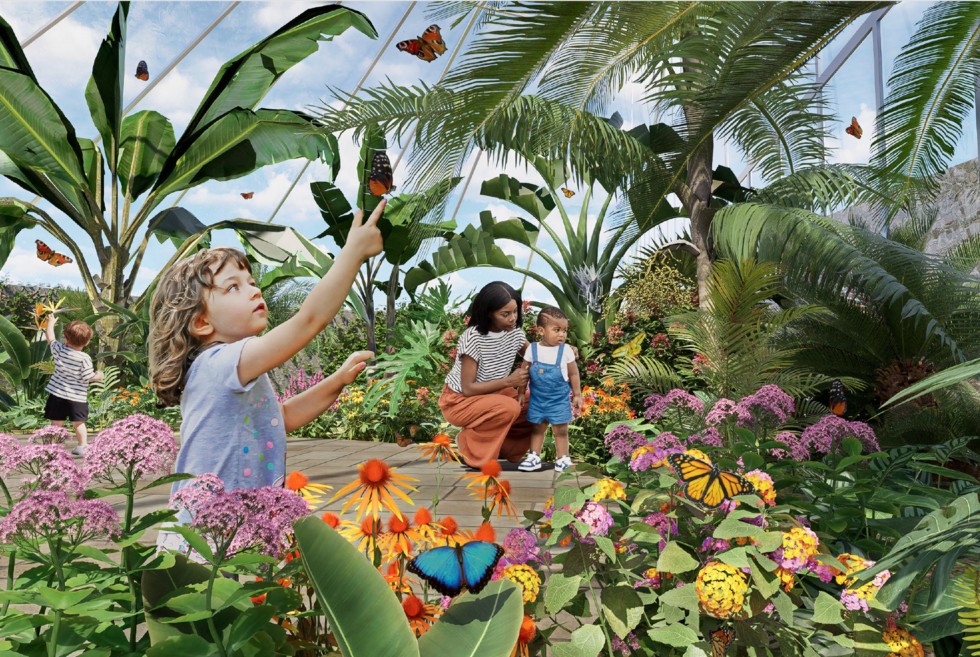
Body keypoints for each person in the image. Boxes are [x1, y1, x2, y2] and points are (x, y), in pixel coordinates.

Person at [148, 200, 385, 554]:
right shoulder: (219, 363)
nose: (254, 290)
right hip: (204, 538)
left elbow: (281, 418)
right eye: (233, 287)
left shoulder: (237, 369)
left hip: (238, 529)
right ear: (201, 322)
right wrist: (352, 253)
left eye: (251, 282)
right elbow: (309, 320)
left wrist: (337, 380)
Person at [439, 281, 533, 468]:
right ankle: (469, 444)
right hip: (458, 401)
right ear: (489, 312)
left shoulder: (515, 333)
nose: (512, 318)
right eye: (505, 314)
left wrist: (563, 352)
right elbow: (468, 388)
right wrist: (509, 381)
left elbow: (534, 355)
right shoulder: (473, 337)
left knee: (539, 402)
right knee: (509, 407)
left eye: (515, 312)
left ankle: (506, 449)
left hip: (494, 395)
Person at [517, 307, 583, 473]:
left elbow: (573, 373)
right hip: (537, 400)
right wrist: (520, 392)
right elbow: (523, 373)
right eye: (557, 330)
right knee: (537, 428)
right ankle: (534, 456)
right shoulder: (532, 349)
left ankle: (563, 458)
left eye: (565, 331)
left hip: (558, 400)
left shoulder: (566, 350)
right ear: (541, 330)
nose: (562, 334)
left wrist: (577, 395)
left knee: (561, 429)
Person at [43, 315, 104, 456]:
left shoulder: (59, 350)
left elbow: (50, 338)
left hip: (58, 395)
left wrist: (50, 323)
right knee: (78, 423)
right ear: (87, 342)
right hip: (77, 398)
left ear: (66, 338)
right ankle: (82, 446)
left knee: (56, 424)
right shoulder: (84, 358)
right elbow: (89, 377)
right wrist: (99, 375)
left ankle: (53, 448)